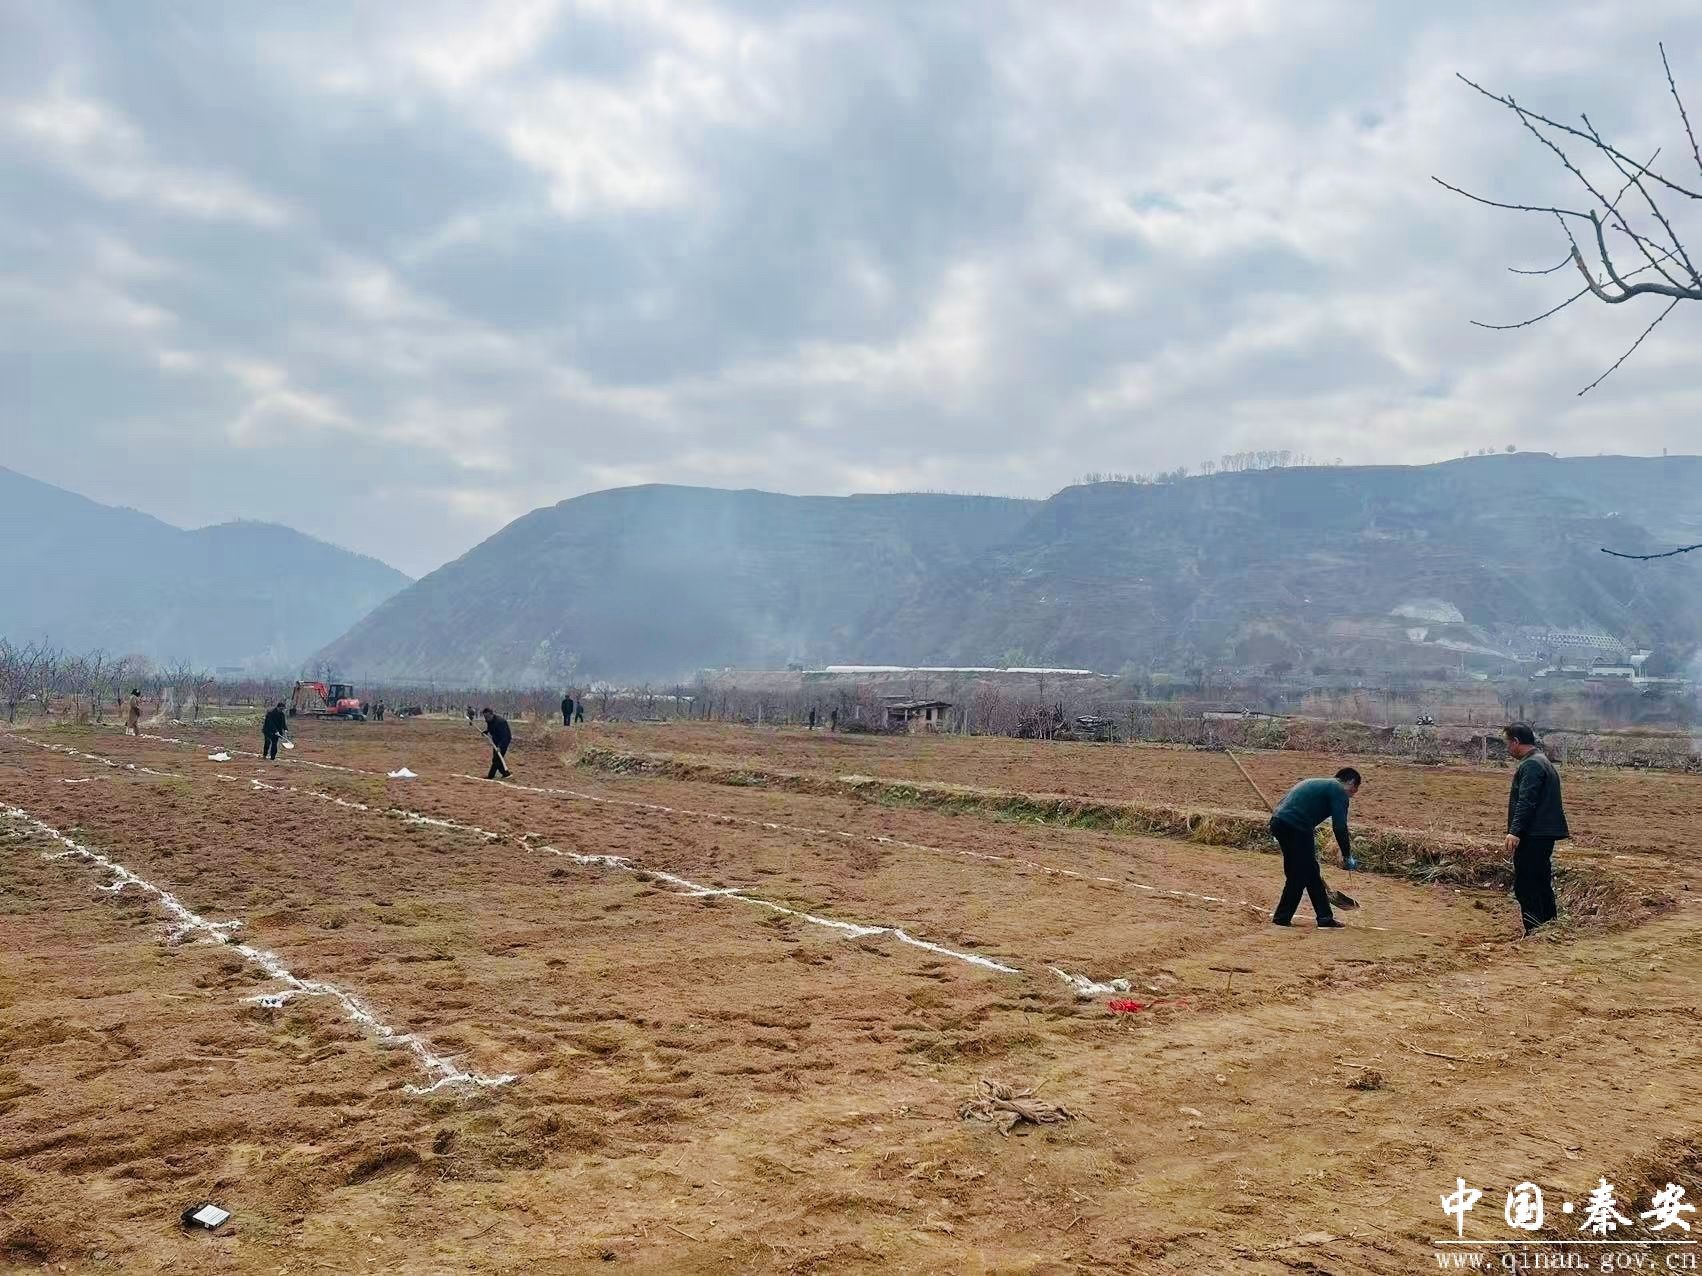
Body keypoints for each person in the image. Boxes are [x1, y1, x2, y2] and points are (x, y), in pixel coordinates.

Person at [1268, 767, 1362, 928]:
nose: (1352, 795)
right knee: (1300, 874)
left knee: (1308, 871)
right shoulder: (1338, 790)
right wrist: (1347, 855)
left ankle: (1324, 917)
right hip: (1296, 827)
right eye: (1354, 790)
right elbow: (1340, 826)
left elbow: (1284, 803)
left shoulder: (1316, 782)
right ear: (1350, 782)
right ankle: (1283, 918)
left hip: (1279, 823)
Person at [1504, 723, 1569, 934]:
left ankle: (1534, 931)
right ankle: (1549, 927)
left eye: (1508, 743)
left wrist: (1515, 831)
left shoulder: (1531, 764)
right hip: (1543, 834)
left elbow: (1526, 801)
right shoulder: (1542, 760)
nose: (1507, 748)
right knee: (1541, 882)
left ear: (1515, 741)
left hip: (1533, 835)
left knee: (1527, 885)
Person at [481, 707, 513, 780]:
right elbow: (491, 728)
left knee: (496, 760)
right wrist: (486, 731)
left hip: (504, 741)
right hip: (496, 741)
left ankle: (491, 776)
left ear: (491, 714)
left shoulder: (501, 722)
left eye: (487, 717)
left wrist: (500, 746)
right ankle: (506, 774)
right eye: (485, 717)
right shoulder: (489, 721)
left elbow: (505, 736)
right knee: (497, 759)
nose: (486, 719)